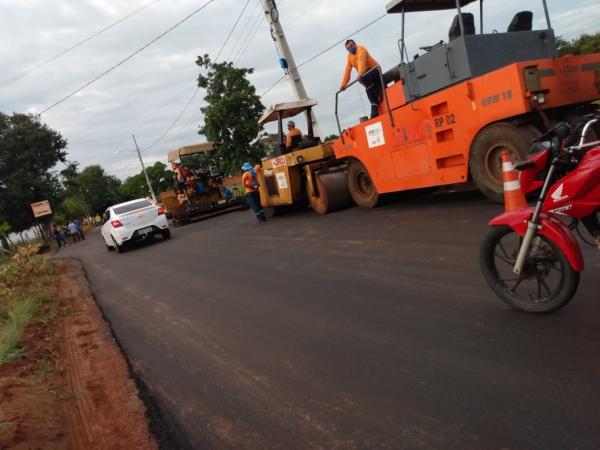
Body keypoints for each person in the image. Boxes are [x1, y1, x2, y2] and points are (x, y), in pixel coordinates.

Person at [339, 39, 382, 119]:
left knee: (364, 76)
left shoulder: (361, 48)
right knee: (365, 83)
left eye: (351, 46)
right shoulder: (349, 57)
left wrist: (360, 73)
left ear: (355, 44)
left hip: (375, 70)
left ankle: (375, 102)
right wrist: (343, 84)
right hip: (366, 75)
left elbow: (361, 61)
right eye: (348, 48)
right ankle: (375, 104)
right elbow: (347, 70)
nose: (350, 49)